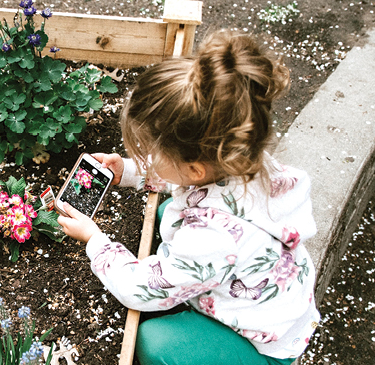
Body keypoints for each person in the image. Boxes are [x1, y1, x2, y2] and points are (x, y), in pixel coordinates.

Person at [57, 30, 320, 365]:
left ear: (195, 168)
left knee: (157, 345)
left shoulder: (212, 237)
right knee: (170, 210)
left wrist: (95, 240)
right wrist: (128, 170)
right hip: (270, 297)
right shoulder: (242, 159)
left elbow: (138, 290)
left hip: (260, 342)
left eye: (152, 150)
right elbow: (181, 178)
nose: (147, 154)